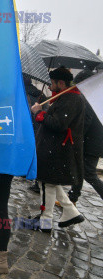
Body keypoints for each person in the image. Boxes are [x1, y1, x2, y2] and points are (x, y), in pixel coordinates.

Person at [30, 66, 85, 232]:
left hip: (56, 151)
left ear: (61, 83)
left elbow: (59, 124)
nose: (49, 86)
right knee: (51, 183)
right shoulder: (65, 97)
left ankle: (46, 222)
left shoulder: (71, 99)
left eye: (52, 83)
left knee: (47, 184)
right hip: (54, 149)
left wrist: (40, 113)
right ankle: (70, 212)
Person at [68, 70, 103, 202]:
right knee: (79, 170)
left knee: (89, 173)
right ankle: (72, 198)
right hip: (93, 142)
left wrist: (76, 138)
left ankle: (73, 197)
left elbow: (85, 122)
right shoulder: (93, 96)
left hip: (91, 144)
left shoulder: (87, 98)